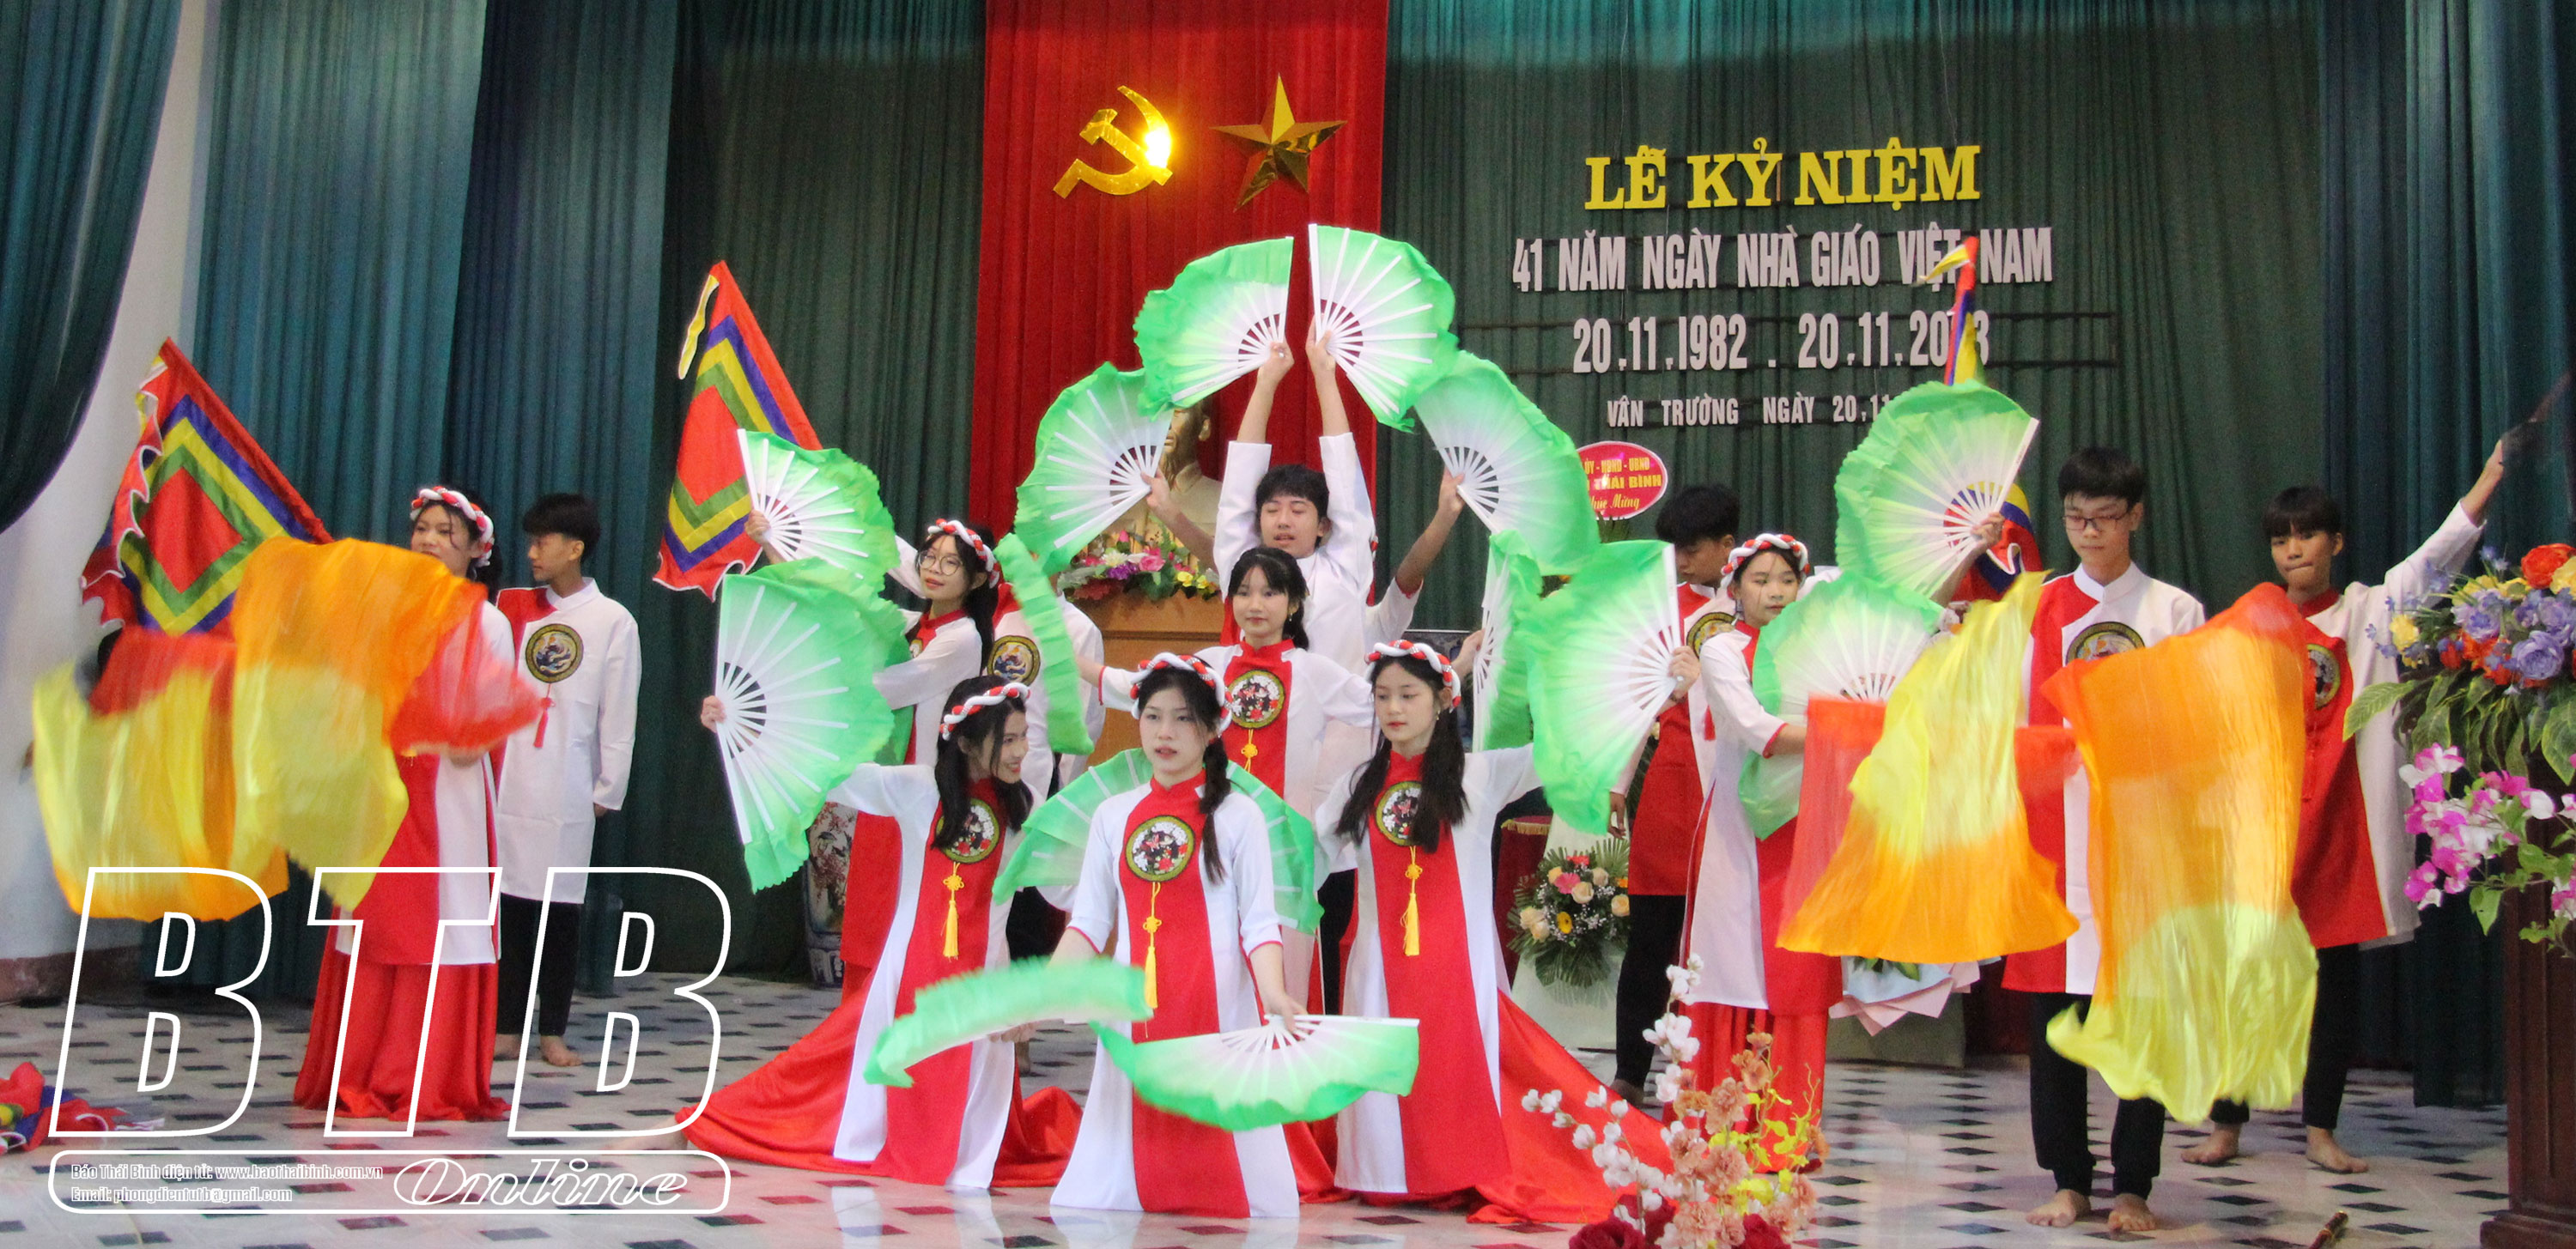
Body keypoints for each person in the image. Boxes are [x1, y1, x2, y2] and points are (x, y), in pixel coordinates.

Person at [2187, 434, 2509, 1173]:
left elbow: (2437, 557)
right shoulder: (2250, 622)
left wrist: (2489, 476)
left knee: (2333, 985)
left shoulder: (2371, 611)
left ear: (2336, 542)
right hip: (2265, 828)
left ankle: (2320, 1129)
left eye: (2306, 535)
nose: (2293, 550)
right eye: (2281, 539)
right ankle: (2227, 1123)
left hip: (2340, 824)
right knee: (2247, 980)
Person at [685, 677, 1077, 1187]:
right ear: (964, 742)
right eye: (1008, 740)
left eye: (1024, 737)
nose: (1021, 751)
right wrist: (746, 728)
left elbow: (1067, 892)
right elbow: (830, 776)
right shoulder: (919, 790)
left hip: (986, 982)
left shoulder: (1025, 810)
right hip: (907, 976)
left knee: (970, 1122)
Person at [2016, 448, 2206, 1233]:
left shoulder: (2174, 610)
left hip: (2143, 835)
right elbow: (2010, 714)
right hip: (2055, 834)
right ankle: (2069, 1178)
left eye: (2103, 517)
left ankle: (2134, 1184)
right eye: (2075, 518)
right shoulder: (2037, 606)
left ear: (2136, 517)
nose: (2088, 531)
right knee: (2055, 1016)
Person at [1048, 656, 1304, 1220]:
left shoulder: (1239, 815)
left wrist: (1274, 994)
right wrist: (1035, 993)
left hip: (1217, 1002)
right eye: (1153, 716)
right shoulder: (1112, 815)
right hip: (1134, 1004)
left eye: (1183, 718)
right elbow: (1088, 922)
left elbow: (1259, 922)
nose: (1164, 733)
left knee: (1227, 1161)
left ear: (1211, 730)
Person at [294, 486, 519, 1121]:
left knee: (441, 916)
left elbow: (484, 728)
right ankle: (360, 1067)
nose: (428, 540)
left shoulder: (488, 623)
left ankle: (421, 1074)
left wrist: (437, 730)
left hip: (449, 794)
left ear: (475, 551)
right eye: (423, 528)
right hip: (381, 788)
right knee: (373, 919)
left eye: (446, 532)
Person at [1672, 534, 1841, 1150]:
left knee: (1798, 968)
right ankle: (1722, 1125)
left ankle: (1786, 1131)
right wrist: (1849, 729)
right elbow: (1756, 729)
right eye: (1761, 580)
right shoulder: (1722, 648)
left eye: (1787, 580)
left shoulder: (1821, 652)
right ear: (1735, 588)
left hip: (1804, 825)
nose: (1775, 592)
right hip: (1736, 834)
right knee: (1734, 966)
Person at [491, 493, 641, 1069]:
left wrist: (607, 788)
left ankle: (552, 1029)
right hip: (508, 780)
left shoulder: (612, 621)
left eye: (543, 542)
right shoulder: (512, 609)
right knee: (509, 907)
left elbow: (618, 712)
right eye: (530, 542)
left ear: (574, 548)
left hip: (569, 782)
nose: (532, 553)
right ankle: (506, 1026)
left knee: (559, 908)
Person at [1608, 482, 1741, 1107]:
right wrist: (1619, 779)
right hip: (1672, 779)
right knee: (1651, 937)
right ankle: (1629, 1072)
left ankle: (1710, 1077)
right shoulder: (1664, 611)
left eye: (1692, 550)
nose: (1681, 562)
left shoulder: (1757, 604)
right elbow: (1642, 699)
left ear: (1727, 545)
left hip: (1735, 781)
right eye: (1675, 551)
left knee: (1722, 939)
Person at [838, 519, 1003, 998]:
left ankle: (885, 1020)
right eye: (929, 558)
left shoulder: (963, 638)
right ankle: (859, 1020)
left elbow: (888, 689)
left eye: (950, 563)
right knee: (874, 910)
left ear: (976, 579)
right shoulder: (917, 625)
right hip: (893, 783)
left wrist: (822, 691)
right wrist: (778, 545)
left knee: (901, 916)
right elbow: (849, 607)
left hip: (925, 794)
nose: (933, 569)